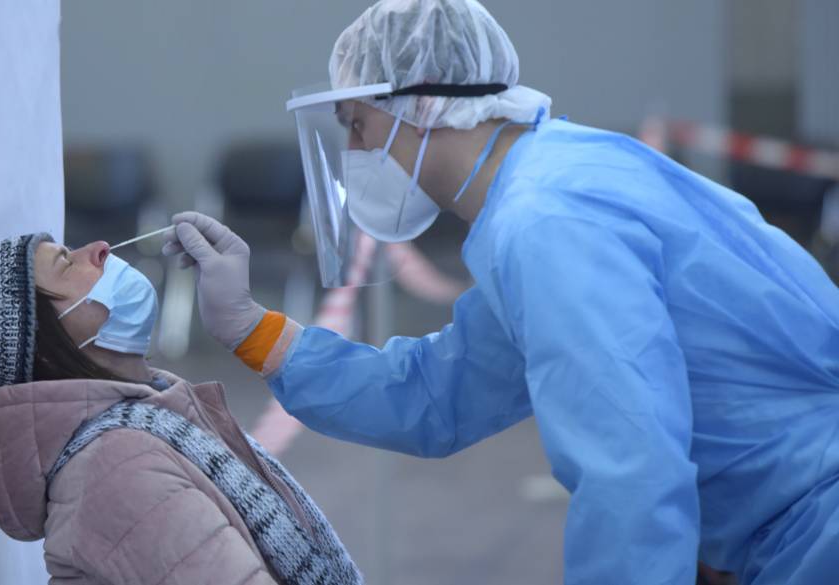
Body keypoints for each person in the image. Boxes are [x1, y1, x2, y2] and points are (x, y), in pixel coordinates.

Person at [161, 1, 839, 583]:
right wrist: (251, 326)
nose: (355, 151)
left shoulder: (547, 223)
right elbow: (436, 393)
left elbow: (629, 473)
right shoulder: (552, 182)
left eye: (357, 125)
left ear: (420, 105)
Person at [0, 233, 362, 585]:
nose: (100, 248)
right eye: (67, 264)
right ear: (45, 351)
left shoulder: (155, 416)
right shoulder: (117, 466)